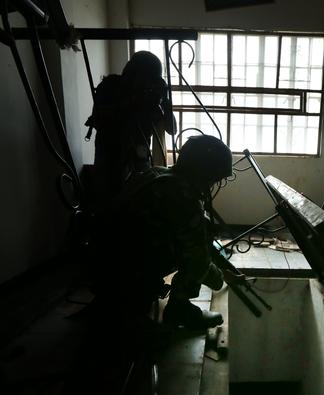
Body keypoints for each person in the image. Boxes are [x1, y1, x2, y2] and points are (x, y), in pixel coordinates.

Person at [99, 135, 232, 329]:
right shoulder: (184, 196)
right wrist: (220, 278)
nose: (212, 185)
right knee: (192, 256)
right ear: (203, 173)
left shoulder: (157, 174)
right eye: (213, 179)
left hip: (103, 261)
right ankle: (179, 310)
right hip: (124, 270)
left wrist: (222, 265)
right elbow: (198, 261)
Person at [85, 51, 176, 206]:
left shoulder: (150, 96)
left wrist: (165, 101)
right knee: (108, 203)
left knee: (137, 206)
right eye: (145, 77)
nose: (147, 83)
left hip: (139, 160)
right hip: (110, 156)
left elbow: (171, 129)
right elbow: (104, 117)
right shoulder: (111, 86)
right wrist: (138, 99)